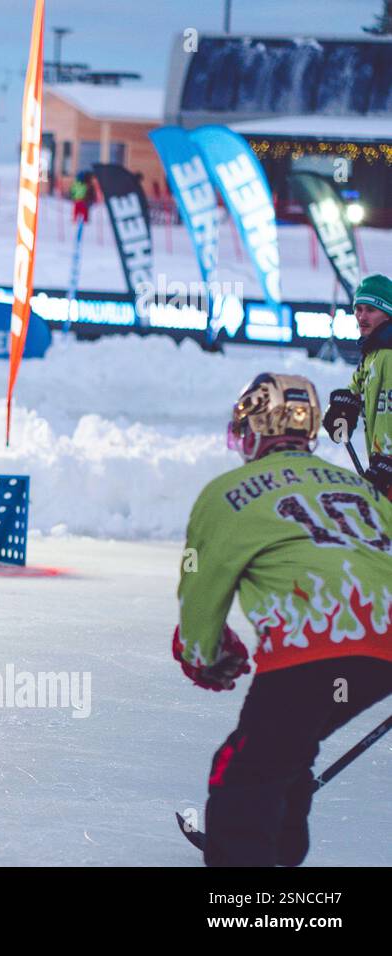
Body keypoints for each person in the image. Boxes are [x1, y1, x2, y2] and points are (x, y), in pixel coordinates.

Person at [175, 372, 392, 866]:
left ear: (254, 429)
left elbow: (200, 597)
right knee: (287, 750)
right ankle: (280, 859)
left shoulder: (227, 491)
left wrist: (203, 655)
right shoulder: (363, 490)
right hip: (384, 652)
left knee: (240, 777)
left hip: (312, 650)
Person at [323, 273, 392, 497]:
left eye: (370, 310)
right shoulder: (372, 352)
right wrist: (344, 406)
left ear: (388, 313)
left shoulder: (388, 355)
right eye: (358, 309)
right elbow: (355, 390)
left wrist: (387, 462)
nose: (362, 317)